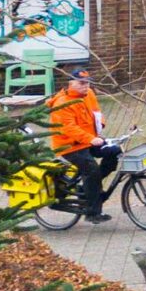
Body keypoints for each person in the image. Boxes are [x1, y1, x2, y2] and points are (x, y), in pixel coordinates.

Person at [46, 60, 117, 222]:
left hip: (88, 140)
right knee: (91, 170)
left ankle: (88, 187)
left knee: (114, 151)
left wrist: (100, 125)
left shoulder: (89, 94)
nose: (85, 86)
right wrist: (92, 139)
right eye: (81, 83)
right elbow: (70, 129)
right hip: (69, 146)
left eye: (87, 83)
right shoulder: (62, 104)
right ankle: (92, 213)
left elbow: (97, 113)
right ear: (71, 83)